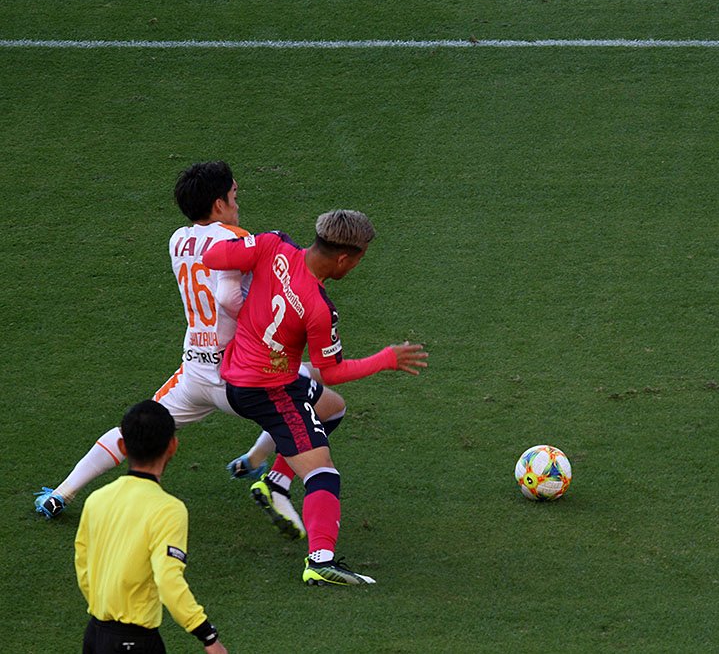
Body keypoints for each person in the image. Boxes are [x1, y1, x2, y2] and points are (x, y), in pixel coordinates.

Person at [34, 161, 340, 541]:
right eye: (233, 196)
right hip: (241, 373)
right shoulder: (235, 237)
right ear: (218, 204)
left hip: (194, 371)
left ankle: (61, 493)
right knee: (325, 404)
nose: (237, 204)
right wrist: (260, 321)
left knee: (137, 429)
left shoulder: (177, 239)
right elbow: (227, 297)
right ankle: (265, 470)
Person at [202, 209, 428, 586]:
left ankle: (275, 482)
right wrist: (386, 359)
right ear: (343, 258)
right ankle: (320, 562)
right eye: (358, 260)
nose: (356, 267)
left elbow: (213, 257)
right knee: (324, 474)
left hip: (241, 372)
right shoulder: (319, 308)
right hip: (269, 391)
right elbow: (333, 370)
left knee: (331, 409)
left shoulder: (273, 244)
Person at [75, 400, 227, 654]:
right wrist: (207, 635)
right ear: (173, 446)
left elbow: (83, 564)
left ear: (122, 446)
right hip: (135, 641)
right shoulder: (168, 509)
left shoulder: (96, 500)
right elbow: (168, 579)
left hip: (95, 635)